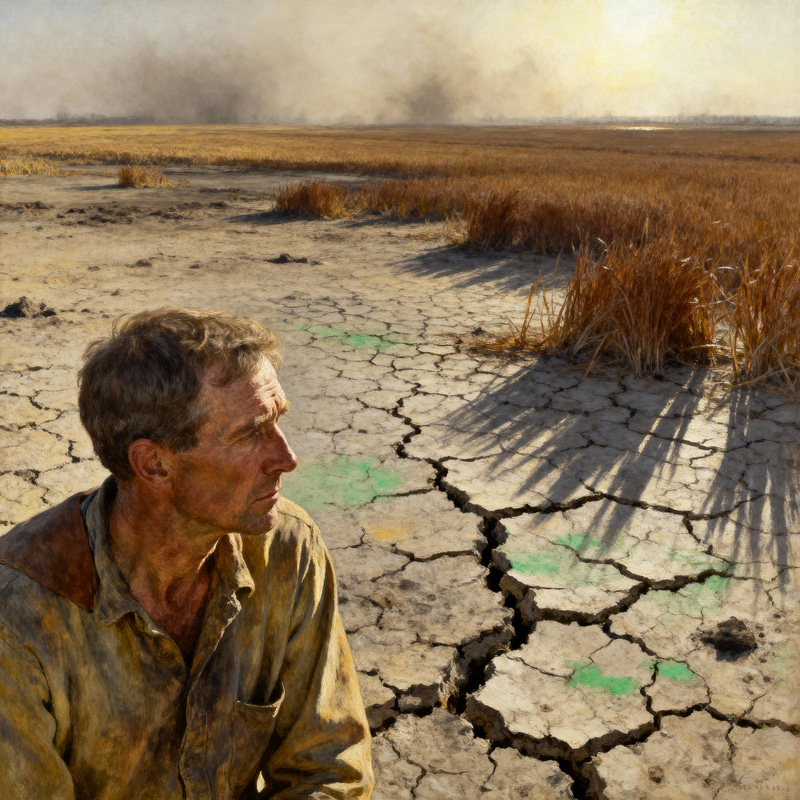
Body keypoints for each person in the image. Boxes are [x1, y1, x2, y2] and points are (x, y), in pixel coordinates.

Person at [0, 308, 373, 799]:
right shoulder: (19, 615)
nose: (286, 458)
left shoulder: (287, 550)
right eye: (249, 433)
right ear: (154, 464)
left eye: (277, 420)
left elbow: (330, 765)